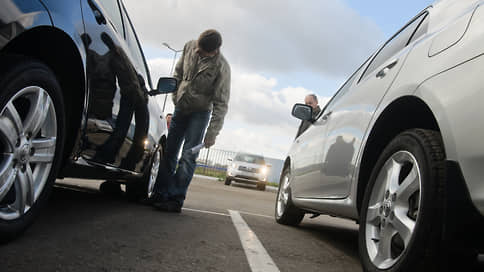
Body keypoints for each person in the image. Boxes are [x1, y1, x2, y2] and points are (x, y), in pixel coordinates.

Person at [149, 29, 231, 212]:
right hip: (181, 108)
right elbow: (177, 73)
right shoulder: (189, 47)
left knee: (188, 156)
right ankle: (159, 193)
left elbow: (221, 104)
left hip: (200, 114)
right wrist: (175, 96)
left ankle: (175, 199)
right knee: (169, 152)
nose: (197, 52)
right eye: (198, 48)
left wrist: (212, 134)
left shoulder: (221, 67)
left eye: (202, 51)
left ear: (215, 51)